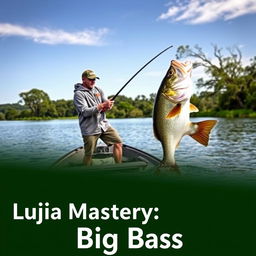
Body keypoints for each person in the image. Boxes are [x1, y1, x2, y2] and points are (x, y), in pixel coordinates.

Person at [73, 69, 122, 166]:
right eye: (91, 79)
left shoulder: (98, 90)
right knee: (89, 155)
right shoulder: (78, 94)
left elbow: (105, 104)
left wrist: (108, 105)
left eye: (94, 79)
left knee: (118, 143)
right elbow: (85, 112)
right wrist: (102, 105)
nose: (93, 81)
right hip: (90, 130)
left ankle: (119, 168)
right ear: (83, 80)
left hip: (103, 126)